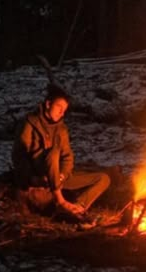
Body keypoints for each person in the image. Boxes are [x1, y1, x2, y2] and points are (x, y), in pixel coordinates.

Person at [12, 84, 110, 221]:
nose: (62, 113)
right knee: (53, 153)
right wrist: (31, 178)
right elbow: (19, 156)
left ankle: (77, 208)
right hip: (39, 175)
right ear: (48, 104)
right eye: (59, 107)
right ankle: (60, 201)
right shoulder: (29, 123)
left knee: (103, 178)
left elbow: (67, 157)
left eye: (64, 110)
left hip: (57, 177)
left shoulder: (61, 129)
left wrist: (63, 175)